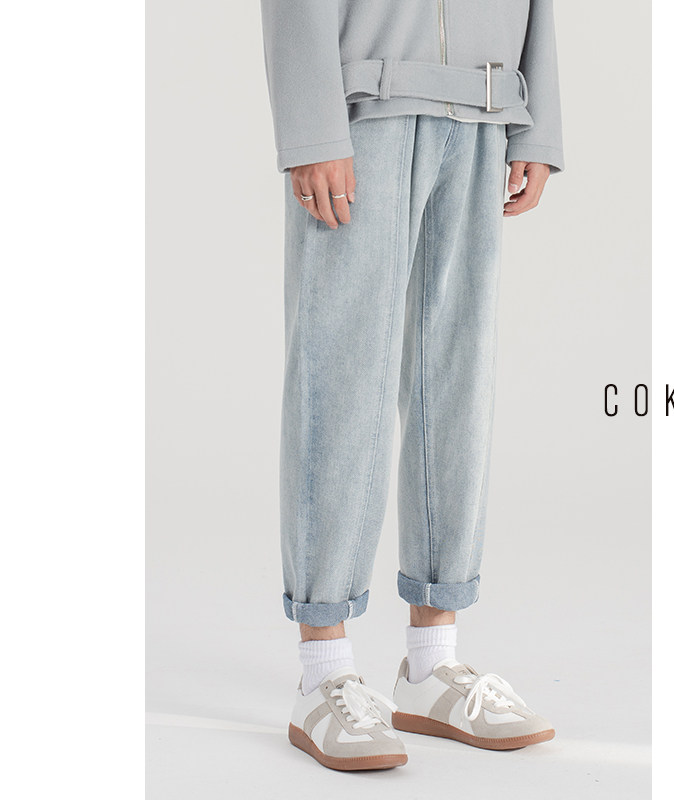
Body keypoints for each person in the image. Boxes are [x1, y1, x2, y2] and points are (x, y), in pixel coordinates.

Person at [259, 0, 564, 771]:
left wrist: (538, 123)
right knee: (341, 378)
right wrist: (311, 127)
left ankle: (432, 665)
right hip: (365, 108)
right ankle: (323, 670)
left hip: (485, 109)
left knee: (457, 388)